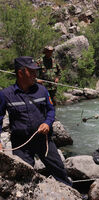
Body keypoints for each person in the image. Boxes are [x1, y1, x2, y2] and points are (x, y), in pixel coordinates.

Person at [0, 56, 72, 186]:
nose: (35, 74)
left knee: (59, 170)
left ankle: (71, 193)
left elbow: (51, 111)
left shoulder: (42, 90)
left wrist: (47, 123)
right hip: (21, 144)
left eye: (35, 71)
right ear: (21, 73)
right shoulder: (6, 94)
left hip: (43, 140)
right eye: (31, 71)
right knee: (23, 178)